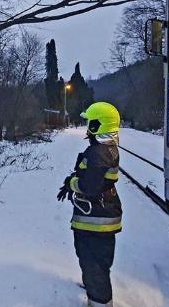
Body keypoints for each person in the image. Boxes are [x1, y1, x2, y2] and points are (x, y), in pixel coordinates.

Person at [57, 102, 122, 307]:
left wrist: (71, 183)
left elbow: (90, 186)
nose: (87, 126)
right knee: (97, 260)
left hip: (95, 217)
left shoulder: (98, 152)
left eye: (90, 122)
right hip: (102, 214)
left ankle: (99, 301)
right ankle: (95, 289)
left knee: (93, 261)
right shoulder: (107, 148)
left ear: (98, 125)